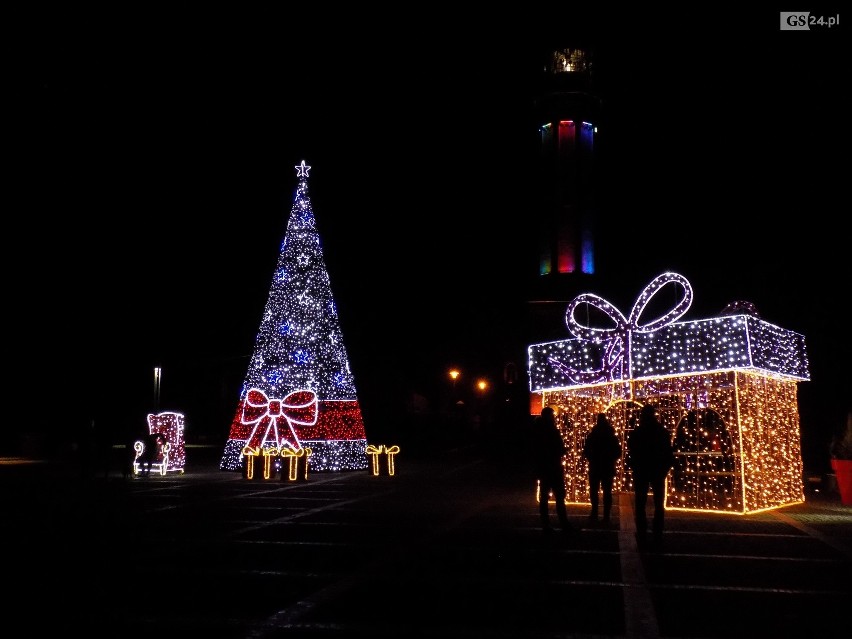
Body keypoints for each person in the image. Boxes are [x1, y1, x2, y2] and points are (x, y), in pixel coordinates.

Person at [627, 403, 675, 549]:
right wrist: (664, 468)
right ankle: (657, 533)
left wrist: (634, 465)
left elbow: (632, 450)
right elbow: (668, 452)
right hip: (657, 470)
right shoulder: (661, 431)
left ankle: (642, 532)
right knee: (658, 504)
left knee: (640, 503)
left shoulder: (638, 432)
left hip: (642, 470)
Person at [531, 406, 575, 535]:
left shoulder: (537, 431)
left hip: (543, 468)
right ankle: (564, 523)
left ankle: (546, 525)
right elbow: (559, 449)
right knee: (559, 497)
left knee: (544, 497)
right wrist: (563, 450)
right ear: (550, 416)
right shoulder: (552, 431)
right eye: (553, 415)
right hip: (553, 468)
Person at [582, 413, 621, 527]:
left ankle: (594, 513)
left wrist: (592, 458)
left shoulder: (593, 435)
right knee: (607, 492)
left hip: (595, 466)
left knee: (594, 491)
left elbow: (587, 450)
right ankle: (606, 516)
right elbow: (617, 451)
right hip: (607, 467)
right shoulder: (611, 435)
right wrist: (610, 459)